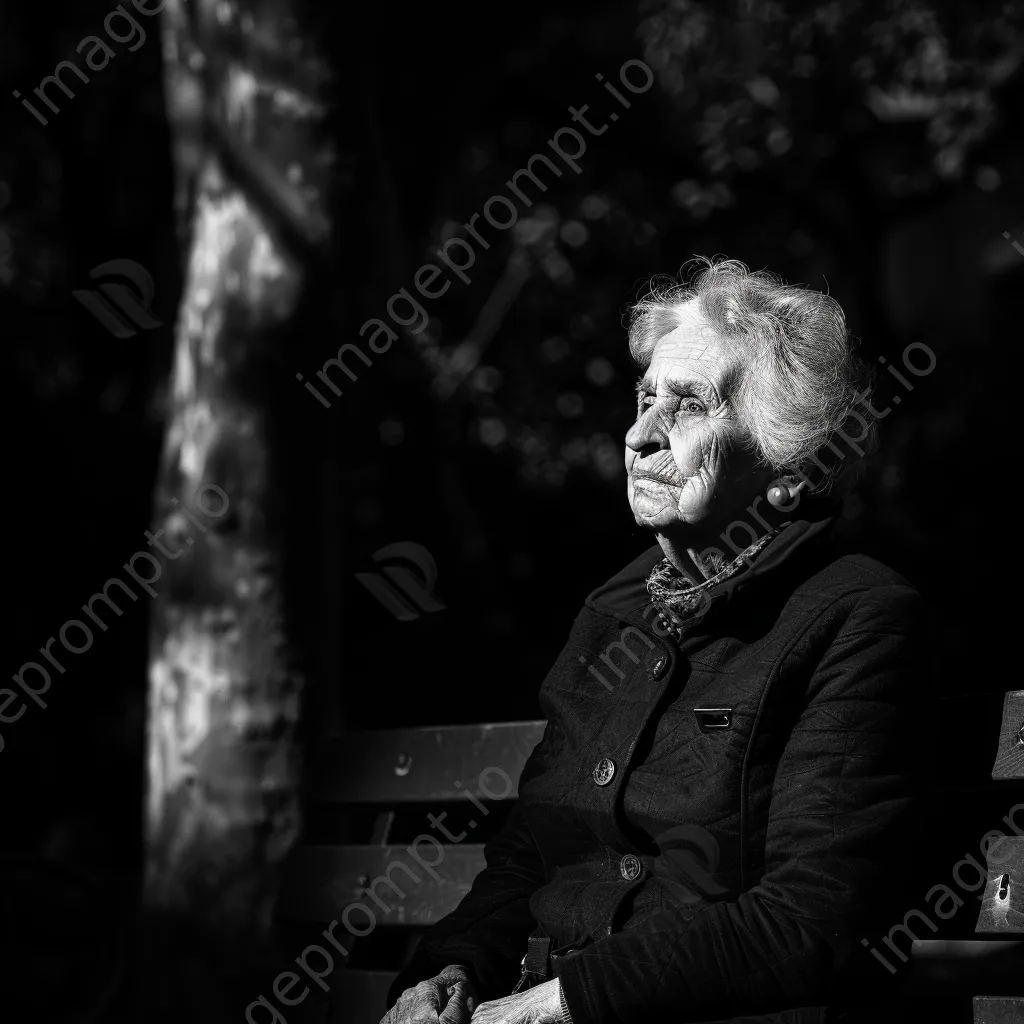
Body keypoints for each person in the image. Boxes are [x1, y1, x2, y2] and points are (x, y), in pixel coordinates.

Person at [381, 258, 927, 1024]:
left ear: (791, 469)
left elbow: (812, 921)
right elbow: (530, 855)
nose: (639, 435)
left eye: (689, 406)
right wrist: (451, 969)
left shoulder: (854, 616)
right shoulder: (612, 611)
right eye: (643, 399)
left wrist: (560, 1004)